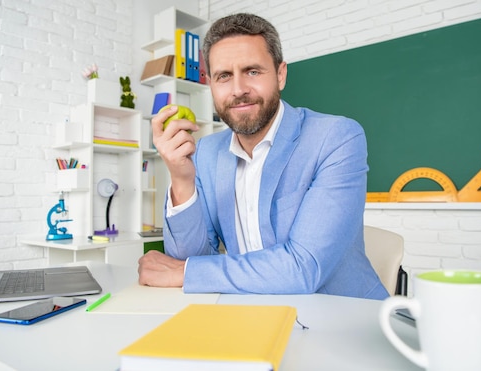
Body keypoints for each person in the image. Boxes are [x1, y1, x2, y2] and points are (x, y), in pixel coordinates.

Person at [138, 13, 388, 299]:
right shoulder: (206, 152)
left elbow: (304, 268)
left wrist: (185, 273)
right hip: (252, 316)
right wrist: (181, 178)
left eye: (253, 71)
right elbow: (190, 258)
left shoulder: (336, 138)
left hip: (343, 319)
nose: (238, 90)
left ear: (280, 75)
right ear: (211, 85)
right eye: (224, 76)